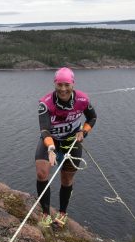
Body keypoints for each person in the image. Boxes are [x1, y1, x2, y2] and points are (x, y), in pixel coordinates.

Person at [35, 67, 97, 228]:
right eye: (59, 84)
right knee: (42, 173)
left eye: (67, 84)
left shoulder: (82, 100)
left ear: (73, 84)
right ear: (55, 84)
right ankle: (46, 213)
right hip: (51, 140)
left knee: (67, 179)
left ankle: (62, 213)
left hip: (71, 141)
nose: (63, 89)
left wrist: (84, 131)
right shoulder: (45, 103)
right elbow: (44, 129)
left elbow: (92, 117)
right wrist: (50, 149)